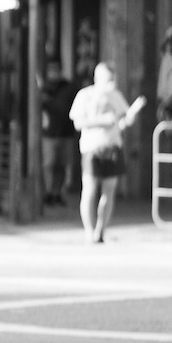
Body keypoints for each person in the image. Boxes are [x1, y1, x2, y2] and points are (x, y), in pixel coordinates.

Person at [69, 62, 145, 244]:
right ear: (97, 77)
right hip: (91, 147)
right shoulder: (85, 95)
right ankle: (89, 231)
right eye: (108, 78)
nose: (111, 82)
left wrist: (132, 114)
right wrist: (102, 120)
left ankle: (100, 230)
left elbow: (123, 122)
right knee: (89, 189)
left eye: (113, 78)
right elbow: (78, 123)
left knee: (109, 191)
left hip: (113, 146)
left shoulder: (116, 96)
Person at [40, 61, 77, 206]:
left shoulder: (68, 87)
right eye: (51, 70)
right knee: (49, 164)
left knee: (62, 165)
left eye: (56, 70)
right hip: (49, 133)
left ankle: (57, 193)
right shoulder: (44, 88)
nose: (53, 73)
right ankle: (48, 192)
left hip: (65, 132)